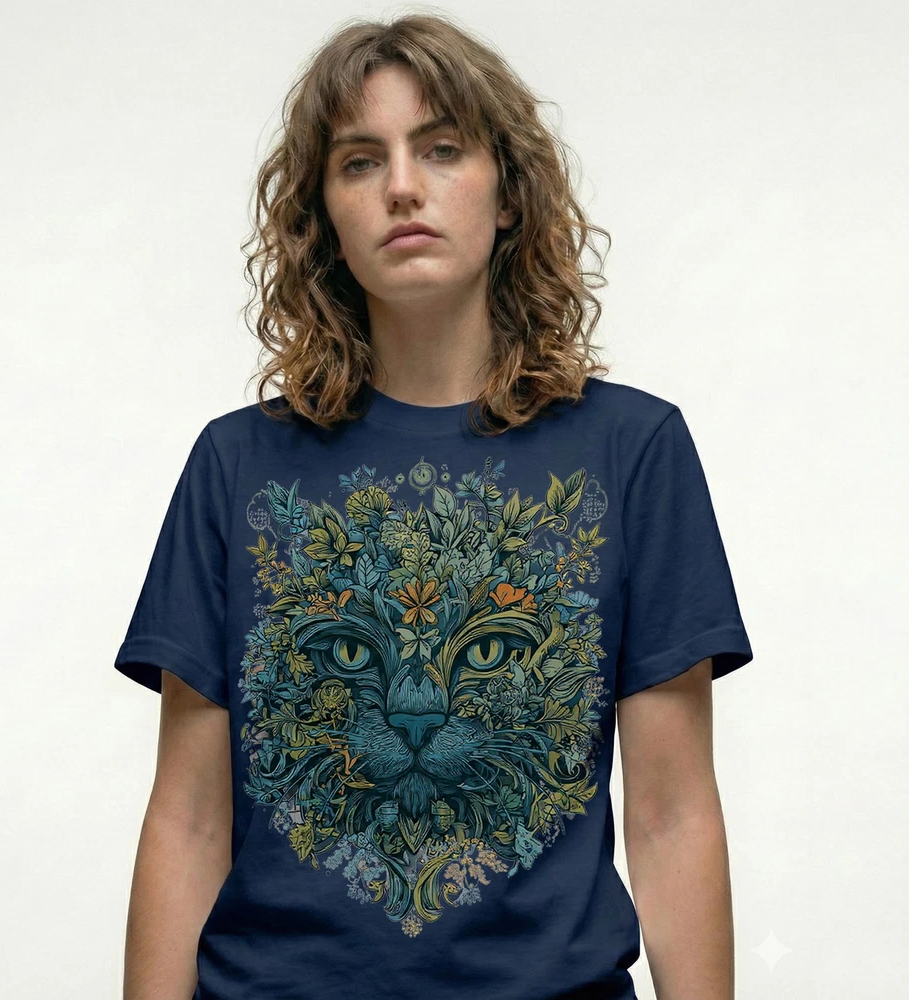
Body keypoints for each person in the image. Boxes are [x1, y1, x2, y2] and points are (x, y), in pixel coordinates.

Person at [114, 12, 753, 1000]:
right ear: (323, 216)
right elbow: (189, 821)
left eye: (442, 148)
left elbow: (672, 818)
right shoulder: (238, 466)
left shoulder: (631, 451)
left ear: (509, 193)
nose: (403, 186)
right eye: (360, 161)